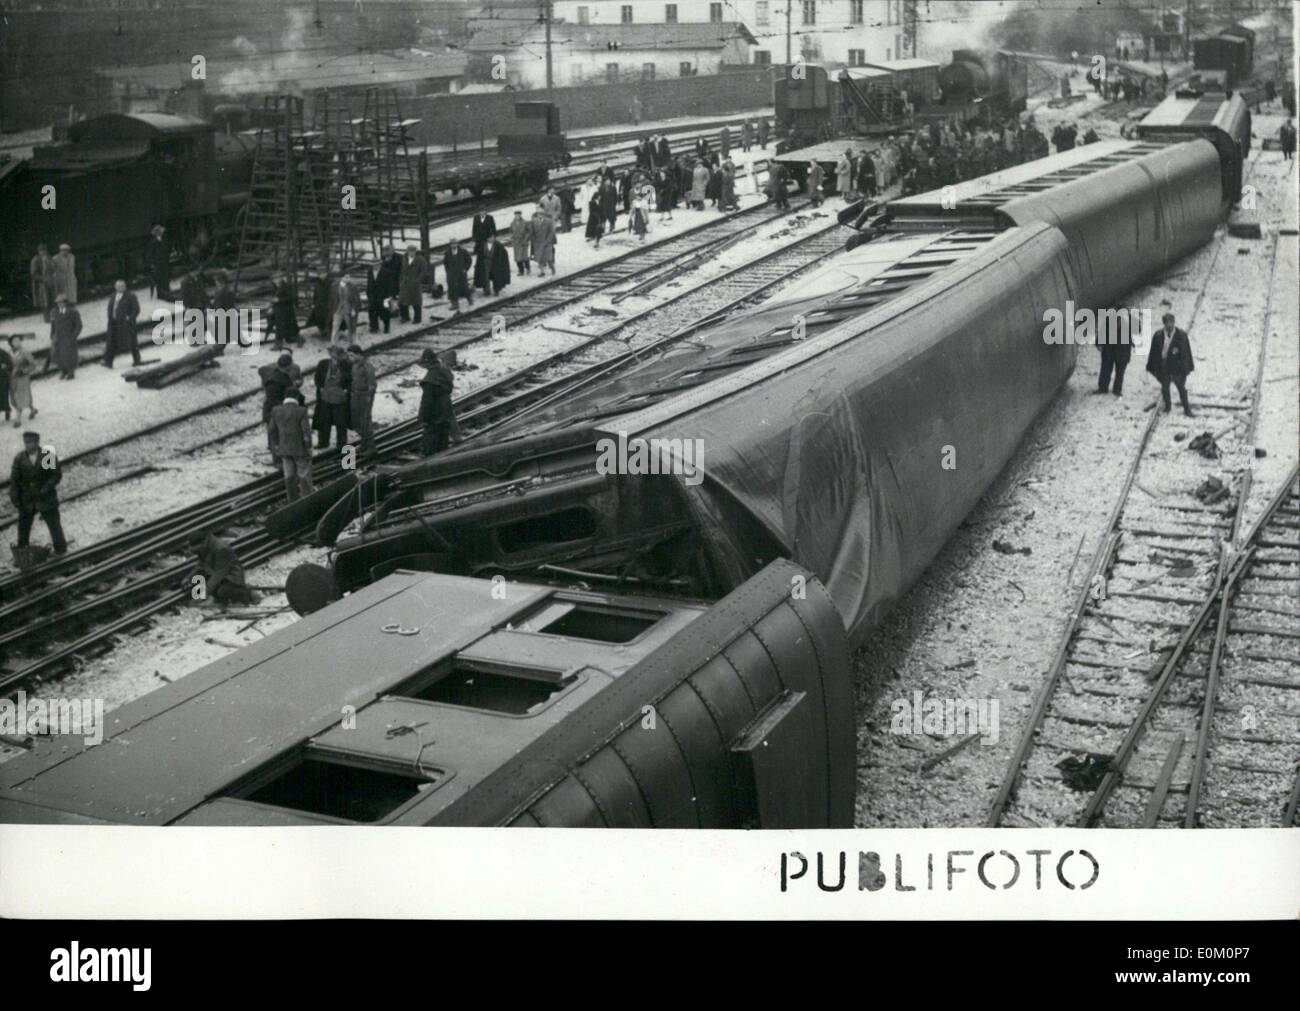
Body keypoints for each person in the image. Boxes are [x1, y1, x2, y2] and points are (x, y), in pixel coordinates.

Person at [10, 431, 66, 556]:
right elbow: (14, 480)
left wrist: (45, 489)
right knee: (23, 527)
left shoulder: (46, 455)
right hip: (27, 499)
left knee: (54, 524)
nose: (27, 445)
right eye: (25, 442)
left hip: (45, 497)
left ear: (37, 442)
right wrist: (15, 498)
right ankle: (22, 553)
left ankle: (60, 549)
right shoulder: (20, 458)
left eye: (29, 442)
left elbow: (55, 475)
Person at [267, 387, 316, 503]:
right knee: (304, 476)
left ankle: (292, 501)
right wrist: (308, 447)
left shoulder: (276, 410)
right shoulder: (301, 411)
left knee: (289, 477)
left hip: (284, 449)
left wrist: (277, 445)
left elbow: (271, 430)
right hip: (300, 450)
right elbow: (306, 432)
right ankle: (307, 500)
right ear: (297, 397)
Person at [1146, 312, 1194, 416]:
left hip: (1177, 368)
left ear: (1174, 322)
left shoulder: (1181, 335)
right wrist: (1154, 368)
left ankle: (1187, 409)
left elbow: (1186, 354)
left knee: (1181, 388)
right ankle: (1168, 407)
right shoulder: (1158, 335)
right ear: (1164, 324)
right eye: (1167, 323)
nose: (1169, 325)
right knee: (1165, 387)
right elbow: (1154, 353)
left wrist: (1185, 370)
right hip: (1164, 366)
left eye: (1171, 322)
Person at [190, 531, 255, 605]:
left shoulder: (221, 549)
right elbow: (201, 564)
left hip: (231, 576)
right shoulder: (205, 546)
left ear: (203, 542)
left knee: (222, 592)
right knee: (201, 581)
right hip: (216, 574)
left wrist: (204, 594)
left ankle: (247, 593)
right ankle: (218, 598)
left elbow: (218, 574)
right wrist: (189, 577)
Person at [260, 351, 298, 469]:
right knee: (275, 437)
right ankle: (278, 461)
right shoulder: (275, 381)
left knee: (279, 436)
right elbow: (273, 401)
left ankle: (282, 458)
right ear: (287, 366)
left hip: (278, 411)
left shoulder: (279, 375)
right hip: (275, 413)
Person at [418, 348, 457, 456]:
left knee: (430, 449)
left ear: (427, 363)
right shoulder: (443, 373)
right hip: (445, 414)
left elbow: (427, 402)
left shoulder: (429, 379)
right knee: (442, 446)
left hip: (434, 417)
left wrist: (423, 418)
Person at [313, 344, 351, 448]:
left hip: (339, 398)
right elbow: (317, 378)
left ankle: (342, 444)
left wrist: (346, 390)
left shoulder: (347, 365)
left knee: (341, 422)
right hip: (325, 397)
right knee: (324, 420)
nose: (335, 357)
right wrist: (320, 387)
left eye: (337, 355)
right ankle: (323, 442)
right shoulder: (323, 364)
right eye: (333, 354)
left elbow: (350, 380)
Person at [347, 343, 377, 461]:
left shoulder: (367, 366)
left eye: (352, 355)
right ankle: (364, 443)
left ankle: (371, 447)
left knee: (365, 421)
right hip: (356, 395)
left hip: (365, 396)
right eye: (349, 355)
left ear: (359, 354)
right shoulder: (354, 366)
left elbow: (372, 384)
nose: (350, 358)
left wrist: (369, 398)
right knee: (356, 421)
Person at [102, 279, 141, 368]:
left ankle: (137, 359)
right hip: (114, 322)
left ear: (125, 287)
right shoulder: (113, 295)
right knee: (112, 341)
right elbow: (111, 307)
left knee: (131, 341)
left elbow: (136, 309)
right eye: (118, 286)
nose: (120, 288)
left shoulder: (131, 296)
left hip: (126, 324)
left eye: (122, 286)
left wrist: (130, 318)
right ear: (115, 287)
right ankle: (108, 361)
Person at [1097, 315, 1133, 397]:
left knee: (1120, 372)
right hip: (1110, 350)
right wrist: (1099, 343)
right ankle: (1103, 387)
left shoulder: (1129, 322)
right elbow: (1102, 332)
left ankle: (1117, 389)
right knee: (1105, 369)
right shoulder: (1109, 320)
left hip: (1122, 351)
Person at [48, 293, 81, 380]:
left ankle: (71, 372)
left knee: (70, 354)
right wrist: (52, 334)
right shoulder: (54, 312)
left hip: (68, 336)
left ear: (66, 303)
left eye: (61, 302)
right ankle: (63, 371)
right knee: (57, 354)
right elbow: (53, 324)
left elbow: (78, 325)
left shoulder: (73, 312)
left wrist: (74, 336)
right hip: (58, 336)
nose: (59, 304)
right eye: (58, 303)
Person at [7, 335, 37, 427]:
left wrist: (24, 371)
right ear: (11, 343)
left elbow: (33, 365)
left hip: (23, 378)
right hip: (12, 378)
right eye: (14, 341)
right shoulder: (9, 353)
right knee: (14, 397)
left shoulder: (25, 352)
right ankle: (32, 409)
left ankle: (18, 420)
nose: (17, 342)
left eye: (19, 340)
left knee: (20, 396)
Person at [399, 245, 431, 323]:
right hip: (405, 283)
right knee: (402, 301)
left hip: (415, 284)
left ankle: (417, 319)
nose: (411, 253)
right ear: (407, 251)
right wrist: (401, 280)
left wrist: (417, 280)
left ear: (415, 251)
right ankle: (405, 317)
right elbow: (401, 270)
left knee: (416, 302)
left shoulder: (421, 260)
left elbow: (423, 272)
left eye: (413, 251)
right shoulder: (404, 258)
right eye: (409, 251)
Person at [328, 273, 361, 345]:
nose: (348, 279)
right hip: (338, 310)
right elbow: (331, 299)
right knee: (335, 327)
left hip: (348, 310)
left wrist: (354, 309)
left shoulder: (353, 287)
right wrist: (332, 309)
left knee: (351, 327)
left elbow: (356, 299)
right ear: (341, 277)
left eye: (349, 277)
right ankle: (333, 344)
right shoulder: (334, 286)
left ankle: (352, 344)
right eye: (346, 277)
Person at [268, 276, 300, 349]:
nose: (275, 281)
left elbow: (291, 298)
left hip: (286, 310)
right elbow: (273, 298)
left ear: (281, 278)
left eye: (277, 278)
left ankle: (278, 344)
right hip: (278, 310)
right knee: (282, 326)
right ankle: (293, 338)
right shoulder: (274, 287)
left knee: (281, 327)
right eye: (274, 279)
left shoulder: (286, 286)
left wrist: (279, 300)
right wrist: (271, 306)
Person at [443, 238, 475, 312]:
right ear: (450, 245)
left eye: (455, 244)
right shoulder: (447, 253)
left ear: (457, 244)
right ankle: (455, 304)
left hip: (461, 273)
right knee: (452, 289)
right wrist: (448, 271)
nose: (453, 245)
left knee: (464, 287)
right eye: (452, 244)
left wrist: (465, 269)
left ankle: (470, 299)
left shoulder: (463, 251)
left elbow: (469, 260)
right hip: (452, 274)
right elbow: (445, 263)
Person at [471, 208, 498, 292]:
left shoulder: (490, 218)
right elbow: (474, 228)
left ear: (486, 212)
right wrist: (474, 238)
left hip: (487, 240)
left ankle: (491, 286)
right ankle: (484, 285)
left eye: (484, 211)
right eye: (480, 211)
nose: (482, 213)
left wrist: (492, 237)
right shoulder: (476, 218)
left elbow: (493, 228)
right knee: (481, 262)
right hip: (479, 242)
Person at [29, 244, 53, 321]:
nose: (43, 252)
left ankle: (53, 317)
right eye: (41, 250)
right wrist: (43, 279)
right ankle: (47, 318)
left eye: (44, 250)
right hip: (41, 284)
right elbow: (34, 273)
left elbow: (53, 267)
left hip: (50, 281)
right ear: (38, 251)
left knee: (51, 300)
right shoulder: (35, 260)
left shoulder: (49, 258)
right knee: (44, 301)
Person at [531, 206, 557, 276]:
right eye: (539, 214)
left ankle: (552, 268)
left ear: (544, 214)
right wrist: (534, 241)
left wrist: (547, 241)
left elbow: (551, 232)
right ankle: (542, 272)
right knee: (540, 259)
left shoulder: (549, 221)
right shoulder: (534, 221)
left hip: (547, 243)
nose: (540, 216)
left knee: (548, 259)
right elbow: (532, 232)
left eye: (541, 214)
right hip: (538, 243)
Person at [147, 225, 170, 300]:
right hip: (158, 263)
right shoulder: (153, 242)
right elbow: (150, 253)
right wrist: (152, 263)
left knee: (165, 276)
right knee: (160, 278)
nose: (162, 232)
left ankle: (166, 291)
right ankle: (161, 293)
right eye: (161, 231)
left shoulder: (162, 239)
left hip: (164, 262)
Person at [509, 209, 532, 275]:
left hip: (524, 242)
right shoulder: (512, 223)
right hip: (516, 243)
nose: (517, 216)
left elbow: (529, 232)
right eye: (516, 215)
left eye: (518, 215)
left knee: (525, 257)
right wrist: (512, 238)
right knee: (518, 258)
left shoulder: (525, 222)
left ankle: (528, 268)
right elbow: (510, 232)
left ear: (520, 215)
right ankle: (520, 271)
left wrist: (525, 239)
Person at [0, 342, 10, 425]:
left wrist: (5, 366)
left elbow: (9, 363)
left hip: (2, 379)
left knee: (3, 397)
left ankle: (7, 410)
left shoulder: (2, 353)